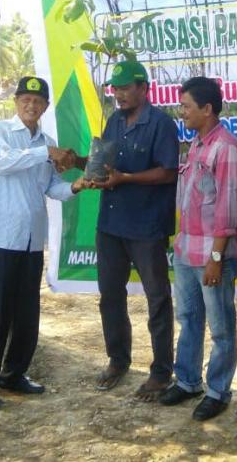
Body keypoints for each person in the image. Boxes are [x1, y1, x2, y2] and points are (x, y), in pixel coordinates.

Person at [0, 76, 87, 412]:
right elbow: (2, 164)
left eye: (38, 101)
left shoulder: (47, 141)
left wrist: (78, 186)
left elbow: (53, 188)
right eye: (25, 99)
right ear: (15, 102)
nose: (31, 105)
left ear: (45, 107)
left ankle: (15, 373)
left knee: (26, 314)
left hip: (31, 242)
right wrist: (45, 152)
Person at [159, 77, 237, 421]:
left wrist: (216, 259)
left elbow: (226, 211)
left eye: (186, 107)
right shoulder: (195, 145)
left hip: (212, 256)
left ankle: (217, 390)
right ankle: (188, 381)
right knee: (188, 319)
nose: (182, 113)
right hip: (185, 252)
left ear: (207, 109)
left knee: (221, 327)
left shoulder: (226, 149)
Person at [92, 60, 179, 401]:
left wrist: (126, 178)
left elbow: (169, 172)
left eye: (127, 87)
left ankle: (161, 371)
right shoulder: (113, 120)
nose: (120, 93)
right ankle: (118, 360)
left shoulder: (161, 124)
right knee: (110, 296)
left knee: (157, 298)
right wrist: (92, 171)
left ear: (144, 88)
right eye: (116, 88)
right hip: (111, 224)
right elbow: (106, 165)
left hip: (146, 226)